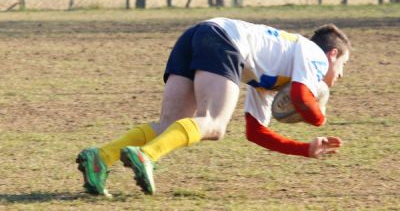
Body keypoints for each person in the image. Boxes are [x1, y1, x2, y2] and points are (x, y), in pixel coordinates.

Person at [76, 17, 351, 196]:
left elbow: (255, 132)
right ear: (332, 54)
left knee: (169, 124)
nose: (340, 75)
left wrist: (305, 149)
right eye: (343, 65)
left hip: (199, 34)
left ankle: (101, 157)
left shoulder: (275, 75)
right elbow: (303, 97)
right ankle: (146, 155)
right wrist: (319, 118)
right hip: (223, 39)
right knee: (214, 123)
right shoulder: (315, 56)